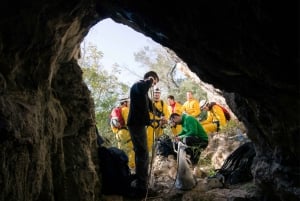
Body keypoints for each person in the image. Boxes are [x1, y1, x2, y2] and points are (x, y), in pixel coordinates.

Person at [127, 71, 159, 198]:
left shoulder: (144, 93)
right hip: (136, 124)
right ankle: (142, 189)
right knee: (143, 153)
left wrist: (160, 116)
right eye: (154, 82)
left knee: (141, 153)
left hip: (138, 124)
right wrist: (151, 80)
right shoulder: (138, 85)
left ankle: (141, 185)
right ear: (150, 78)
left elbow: (151, 107)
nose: (153, 86)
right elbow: (143, 87)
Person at [110, 97, 135, 170]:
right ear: (125, 103)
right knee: (131, 150)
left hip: (118, 133)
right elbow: (129, 123)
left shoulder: (116, 110)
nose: (129, 103)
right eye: (128, 102)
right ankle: (131, 167)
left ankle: (122, 168)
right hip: (125, 133)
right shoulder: (125, 109)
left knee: (121, 151)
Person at [146, 87, 169, 155]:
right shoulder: (149, 103)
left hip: (160, 124)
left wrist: (165, 119)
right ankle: (148, 156)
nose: (156, 95)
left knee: (160, 141)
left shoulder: (162, 103)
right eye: (155, 93)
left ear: (160, 94)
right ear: (153, 94)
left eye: (158, 93)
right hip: (150, 125)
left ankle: (159, 155)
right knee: (149, 141)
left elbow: (166, 114)